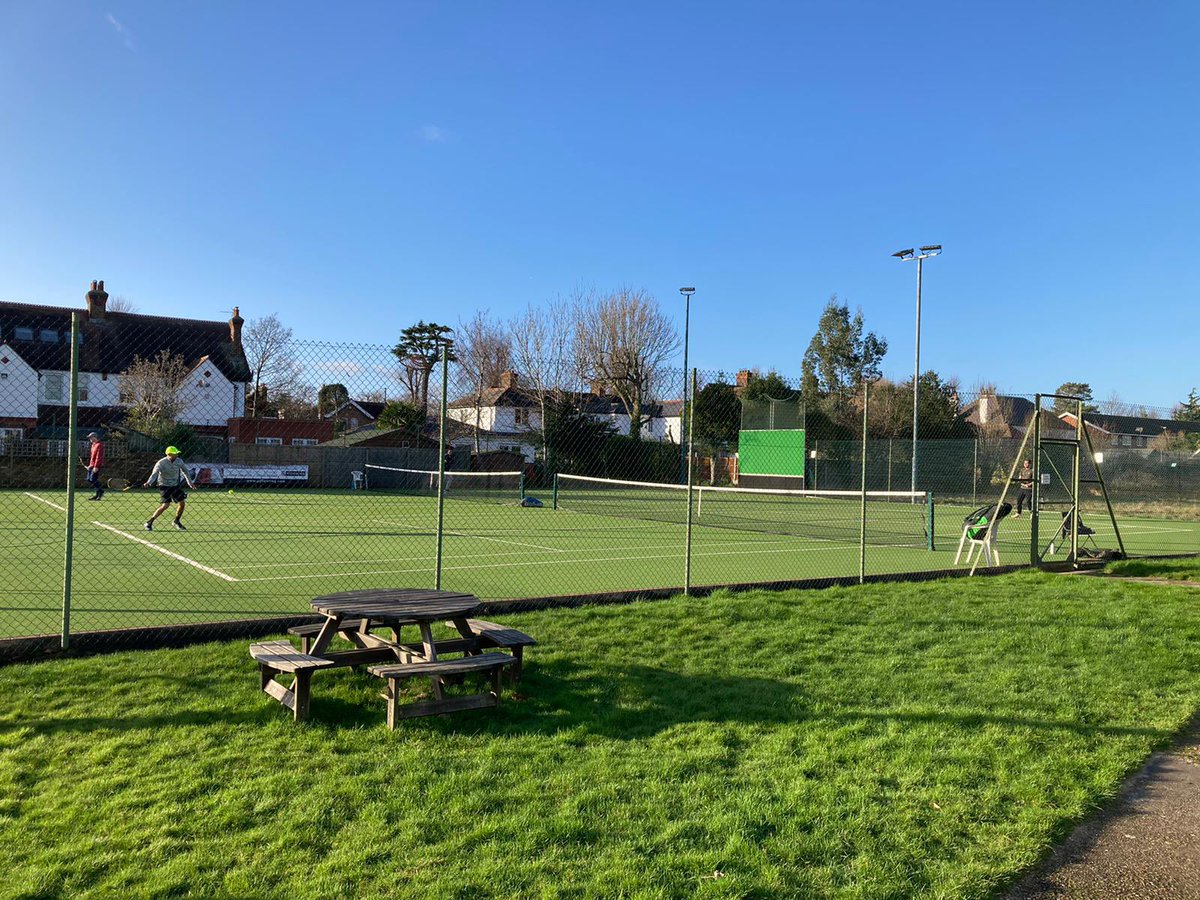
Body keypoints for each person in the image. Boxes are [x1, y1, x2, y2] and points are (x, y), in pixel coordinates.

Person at [143, 445, 196, 531]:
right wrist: (149, 482)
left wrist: (190, 483)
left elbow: (185, 471)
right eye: (175, 454)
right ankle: (149, 522)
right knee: (165, 505)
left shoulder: (179, 461)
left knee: (182, 503)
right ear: (169, 454)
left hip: (175, 485)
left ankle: (176, 521)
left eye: (177, 453)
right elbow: (154, 474)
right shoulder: (161, 463)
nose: (177, 455)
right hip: (164, 486)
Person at [82, 432, 105, 500]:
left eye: (90, 437)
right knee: (89, 479)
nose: (89, 439)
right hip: (92, 465)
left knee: (93, 479)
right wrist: (90, 465)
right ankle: (98, 493)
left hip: (96, 466)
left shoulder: (100, 445)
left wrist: (96, 466)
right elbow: (92, 457)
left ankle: (100, 492)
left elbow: (99, 457)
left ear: (94, 437)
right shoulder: (93, 445)